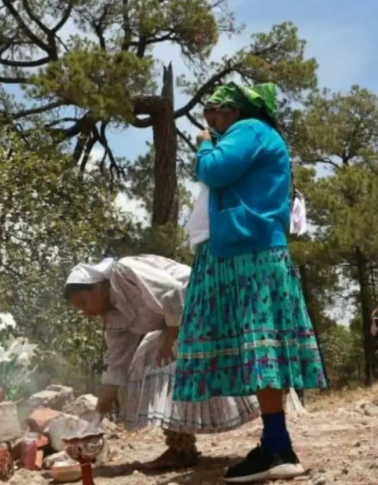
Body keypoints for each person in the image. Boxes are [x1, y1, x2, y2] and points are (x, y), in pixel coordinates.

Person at [172, 81, 327, 483]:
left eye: (215, 113)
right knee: (256, 347)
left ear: (235, 110)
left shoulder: (251, 129)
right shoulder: (256, 133)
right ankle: (275, 441)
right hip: (240, 248)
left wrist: (205, 143)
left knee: (260, 346)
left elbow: (214, 169)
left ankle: (277, 445)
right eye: (207, 116)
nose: (210, 121)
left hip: (248, 253)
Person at [64, 256, 259, 471]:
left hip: (204, 304)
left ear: (98, 287)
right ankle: (181, 447)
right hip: (178, 325)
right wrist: (100, 411)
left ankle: (271, 429)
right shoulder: (113, 319)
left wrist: (172, 336)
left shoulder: (124, 272)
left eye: (84, 303)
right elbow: (117, 362)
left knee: (163, 358)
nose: (86, 312)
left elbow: (174, 290)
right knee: (149, 361)